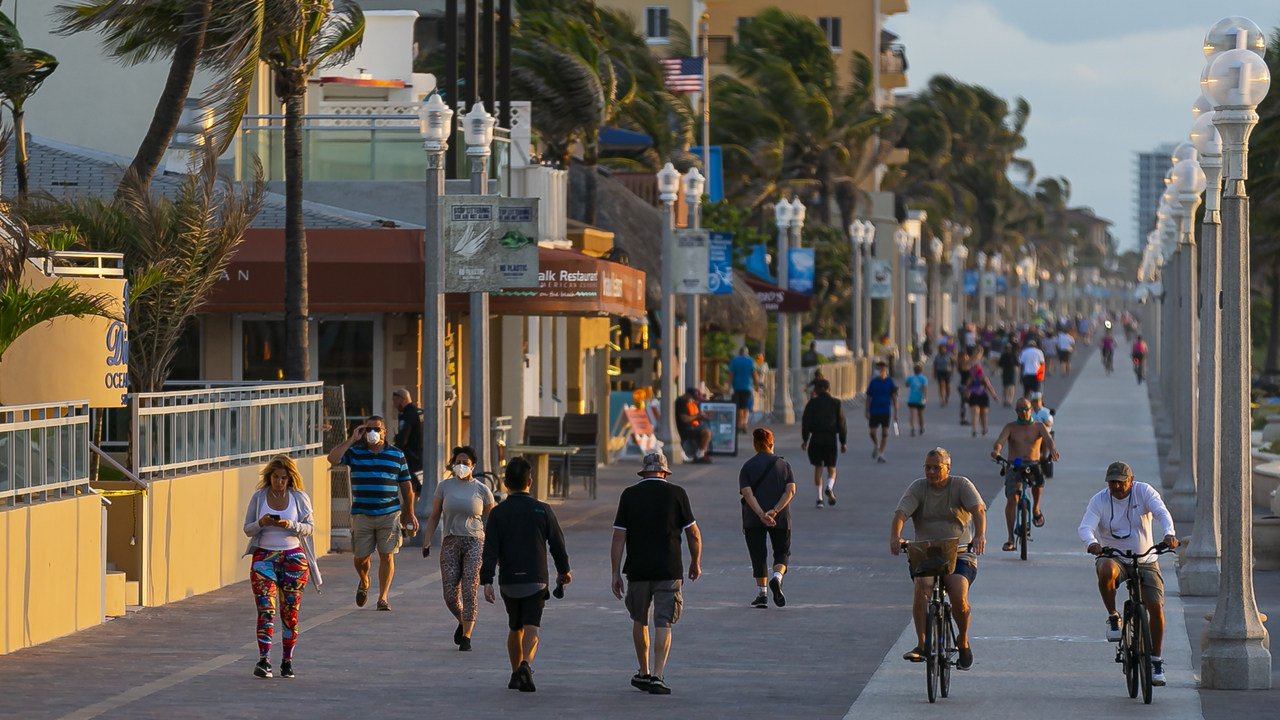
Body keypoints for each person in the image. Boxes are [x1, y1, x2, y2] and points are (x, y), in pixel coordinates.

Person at [1079, 462, 1179, 686]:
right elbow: (1086, 526)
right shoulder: (1100, 500)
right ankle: (1114, 617)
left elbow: (1161, 513)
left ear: (1130, 480)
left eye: (1120, 482)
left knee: (1155, 608)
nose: (1115, 486)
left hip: (1145, 558)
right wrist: (1092, 543)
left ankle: (1155, 660)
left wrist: (1169, 535)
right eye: (1111, 482)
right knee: (1105, 571)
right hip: (1113, 556)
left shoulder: (1144, 492)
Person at [611, 453, 702, 695]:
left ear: (643, 473)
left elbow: (619, 536)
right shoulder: (677, 494)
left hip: (638, 570)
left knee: (639, 619)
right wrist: (695, 562)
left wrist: (615, 573)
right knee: (664, 622)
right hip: (669, 569)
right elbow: (693, 534)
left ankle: (644, 672)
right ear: (664, 473)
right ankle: (658, 677)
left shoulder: (629, 494)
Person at [890, 448, 987, 671]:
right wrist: (895, 537)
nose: (931, 472)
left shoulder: (960, 485)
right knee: (921, 587)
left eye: (936, 468)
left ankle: (962, 640)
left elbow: (978, 510)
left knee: (958, 595)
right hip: (926, 553)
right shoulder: (918, 487)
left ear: (948, 468)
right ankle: (922, 644)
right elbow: (900, 514)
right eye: (927, 467)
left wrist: (980, 535)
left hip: (959, 552)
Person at [481, 458, 571, 692]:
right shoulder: (542, 509)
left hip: (509, 580)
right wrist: (563, 571)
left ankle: (514, 674)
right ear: (530, 482)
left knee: (515, 626)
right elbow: (557, 545)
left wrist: (487, 580)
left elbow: (490, 549)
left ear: (505, 482)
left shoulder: (498, 514)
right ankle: (525, 665)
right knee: (532, 625)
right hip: (536, 578)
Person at [242, 455, 323, 679]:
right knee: (266, 610)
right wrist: (261, 523)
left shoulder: (299, 497)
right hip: (264, 558)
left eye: (284, 478)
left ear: (290, 479)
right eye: (276, 477)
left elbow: (310, 527)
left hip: (293, 559)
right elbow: (247, 529)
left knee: (290, 612)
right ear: (269, 477)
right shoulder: (259, 497)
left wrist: (291, 525)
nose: (279, 482)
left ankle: (287, 661)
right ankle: (264, 660)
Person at [328, 416, 416, 612]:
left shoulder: (396, 454)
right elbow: (332, 459)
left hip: (389, 513)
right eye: (368, 429)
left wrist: (409, 513)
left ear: (384, 432)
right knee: (361, 557)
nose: (372, 433)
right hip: (362, 514)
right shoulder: (355, 452)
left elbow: (406, 486)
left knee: (387, 555)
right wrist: (352, 439)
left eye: (376, 429)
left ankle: (383, 598)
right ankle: (364, 580)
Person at [423, 446, 496, 651]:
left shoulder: (482, 490)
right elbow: (435, 515)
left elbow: (494, 520)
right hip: (451, 541)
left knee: (469, 589)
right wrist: (427, 539)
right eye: (458, 462)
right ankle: (462, 620)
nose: (461, 466)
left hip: (475, 541)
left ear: (474, 466)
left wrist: (495, 548)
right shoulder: (444, 487)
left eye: (466, 462)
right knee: (449, 593)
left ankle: (467, 636)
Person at [991, 399, 1060, 550]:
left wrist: (1053, 449)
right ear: (1016, 411)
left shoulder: (1038, 426)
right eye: (1020, 409)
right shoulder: (1011, 427)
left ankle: (1035, 508)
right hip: (1015, 463)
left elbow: (1049, 440)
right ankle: (1010, 539)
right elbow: (1000, 441)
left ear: (1031, 409)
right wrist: (996, 450)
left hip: (1033, 462)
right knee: (1012, 499)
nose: (1024, 412)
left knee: (1038, 480)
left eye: (1026, 409)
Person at [739, 429, 796, 608]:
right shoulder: (784, 466)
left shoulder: (747, 466)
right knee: (782, 551)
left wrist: (761, 514)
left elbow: (747, 494)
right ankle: (777, 579)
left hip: (753, 519)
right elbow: (791, 491)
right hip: (780, 518)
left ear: (755, 445)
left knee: (758, 554)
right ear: (772, 444)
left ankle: (762, 594)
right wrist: (775, 510)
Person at [801, 378, 848, 507]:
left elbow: (805, 423)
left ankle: (819, 499)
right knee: (831, 468)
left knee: (818, 467)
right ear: (829, 390)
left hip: (816, 438)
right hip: (830, 439)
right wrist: (843, 442)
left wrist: (805, 440)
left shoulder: (812, 404)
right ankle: (829, 487)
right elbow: (842, 424)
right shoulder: (836, 403)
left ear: (816, 390)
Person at [392, 389, 424, 496]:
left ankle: (409, 512)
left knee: (411, 489)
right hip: (423, 457)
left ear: (402, 401)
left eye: (395, 402)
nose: (394, 406)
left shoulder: (407, 416)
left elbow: (402, 440)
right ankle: (416, 511)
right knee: (420, 489)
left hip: (412, 459)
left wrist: (393, 453)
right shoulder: (421, 413)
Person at [865, 361, 897, 463]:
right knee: (872, 432)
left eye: (879, 369)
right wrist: (867, 410)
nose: (877, 371)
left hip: (885, 410)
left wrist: (896, 412)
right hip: (874, 410)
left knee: (885, 432)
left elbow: (894, 397)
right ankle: (877, 445)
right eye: (876, 369)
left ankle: (881, 453)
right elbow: (868, 397)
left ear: (884, 370)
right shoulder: (873, 382)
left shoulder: (890, 382)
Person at [728, 347, 761, 434]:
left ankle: (739, 424)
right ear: (747, 353)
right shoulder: (750, 361)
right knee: (746, 406)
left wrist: (728, 386)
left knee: (739, 406)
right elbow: (754, 374)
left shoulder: (734, 361)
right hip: (747, 386)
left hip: (737, 386)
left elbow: (731, 374)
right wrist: (757, 385)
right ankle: (744, 423)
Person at [676, 387, 713, 464]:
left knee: (707, 431)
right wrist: (698, 416)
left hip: (689, 427)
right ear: (687, 394)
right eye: (692, 397)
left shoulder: (687, 403)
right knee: (706, 432)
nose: (693, 399)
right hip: (683, 429)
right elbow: (684, 419)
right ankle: (700, 455)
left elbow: (690, 418)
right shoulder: (681, 402)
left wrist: (702, 417)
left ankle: (702, 453)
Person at [966, 365, 999, 437]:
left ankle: (984, 428)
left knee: (983, 414)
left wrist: (994, 396)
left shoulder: (983, 378)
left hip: (983, 396)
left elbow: (989, 387)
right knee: (975, 413)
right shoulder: (970, 378)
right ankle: (974, 430)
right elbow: (967, 387)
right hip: (973, 396)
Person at [906, 363, 929, 437]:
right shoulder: (923, 379)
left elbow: (906, 385)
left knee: (912, 415)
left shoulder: (910, 378)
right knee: (920, 415)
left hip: (912, 399)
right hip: (920, 399)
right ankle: (921, 428)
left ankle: (912, 428)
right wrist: (925, 397)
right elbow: (924, 389)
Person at [998, 342, 1019, 408]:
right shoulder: (1013, 355)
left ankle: (1007, 400)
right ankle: (1008, 401)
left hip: (1006, 371)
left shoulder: (1004, 355)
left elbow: (1000, 364)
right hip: (1010, 371)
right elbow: (1017, 364)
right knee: (1010, 386)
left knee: (1006, 386)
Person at [934, 339, 955, 408]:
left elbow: (954, 361)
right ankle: (942, 400)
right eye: (941, 349)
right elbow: (935, 365)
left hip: (947, 372)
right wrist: (934, 373)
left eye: (943, 349)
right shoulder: (937, 356)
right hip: (940, 372)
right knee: (941, 386)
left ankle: (947, 398)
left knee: (948, 387)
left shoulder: (949, 355)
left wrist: (952, 368)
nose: (942, 350)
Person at [956, 351, 974, 425]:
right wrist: (979, 352)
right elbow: (973, 359)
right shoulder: (963, 365)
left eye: (967, 356)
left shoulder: (966, 364)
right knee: (965, 403)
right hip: (964, 387)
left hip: (966, 387)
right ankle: (963, 419)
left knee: (965, 403)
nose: (967, 358)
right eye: (964, 357)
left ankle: (964, 418)